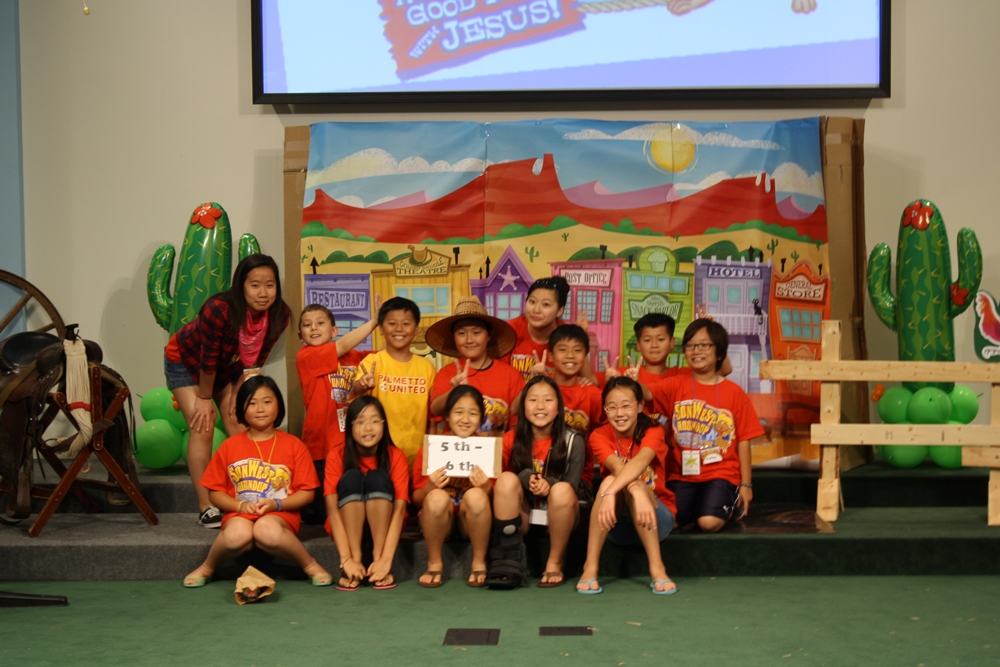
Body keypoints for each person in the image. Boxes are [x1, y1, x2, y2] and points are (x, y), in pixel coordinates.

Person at [164, 254, 290, 528]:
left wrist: (236, 394)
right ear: (240, 286)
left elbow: (255, 361)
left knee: (238, 421)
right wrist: (204, 398)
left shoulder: (280, 315)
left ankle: (253, 493)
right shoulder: (218, 309)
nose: (263, 293)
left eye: (270, 285)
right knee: (203, 426)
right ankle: (206, 506)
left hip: (230, 367)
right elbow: (208, 360)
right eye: (255, 285)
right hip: (186, 361)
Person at [182, 375, 331, 588]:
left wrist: (276, 504)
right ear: (241, 409)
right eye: (252, 403)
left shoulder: (294, 445)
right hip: (238, 514)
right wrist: (239, 506)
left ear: (279, 405)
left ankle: (310, 565)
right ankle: (207, 567)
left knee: (265, 530)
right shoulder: (229, 446)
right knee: (237, 535)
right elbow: (214, 493)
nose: (260, 409)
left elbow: (307, 493)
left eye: (267, 401)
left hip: (280, 515)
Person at [652, 319, 764, 532]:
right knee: (669, 522)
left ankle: (721, 505)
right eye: (691, 345)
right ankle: (698, 507)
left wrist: (746, 485)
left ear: (719, 353)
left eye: (704, 345)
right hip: (682, 474)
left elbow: (743, 441)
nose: (696, 351)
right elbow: (646, 393)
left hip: (722, 473)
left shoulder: (734, 393)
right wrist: (628, 380)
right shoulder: (676, 384)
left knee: (708, 523)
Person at [577, 377, 677, 595]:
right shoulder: (598, 435)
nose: (619, 413)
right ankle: (590, 567)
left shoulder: (654, 430)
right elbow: (617, 466)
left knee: (616, 483)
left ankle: (657, 569)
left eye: (626, 406)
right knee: (613, 480)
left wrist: (621, 491)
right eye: (612, 407)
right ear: (605, 410)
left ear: (640, 406)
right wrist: (631, 489)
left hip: (656, 519)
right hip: (615, 523)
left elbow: (640, 461)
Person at [490, 376, 588, 589]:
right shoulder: (510, 438)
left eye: (548, 400)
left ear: (559, 408)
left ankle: (554, 562)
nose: (540, 406)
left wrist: (549, 484)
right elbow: (501, 485)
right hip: (524, 515)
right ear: (523, 406)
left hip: (561, 517)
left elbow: (572, 486)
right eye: (533, 400)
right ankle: (509, 559)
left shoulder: (573, 440)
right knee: (505, 479)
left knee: (562, 490)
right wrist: (526, 476)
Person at [295, 299, 381, 522]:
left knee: (350, 500)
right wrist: (375, 321)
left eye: (320, 323)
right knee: (320, 513)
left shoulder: (352, 357)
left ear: (334, 330)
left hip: (348, 440)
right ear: (300, 335)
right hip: (321, 443)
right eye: (307, 325)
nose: (313, 328)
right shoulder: (306, 356)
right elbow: (341, 346)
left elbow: (382, 358)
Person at [323, 396, 409, 591]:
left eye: (375, 421)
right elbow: (332, 511)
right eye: (360, 422)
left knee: (377, 477)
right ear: (350, 426)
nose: (368, 428)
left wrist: (385, 560)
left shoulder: (395, 456)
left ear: (384, 425)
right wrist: (346, 559)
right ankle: (354, 562)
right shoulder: (336, 455)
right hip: (348, 530)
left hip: (383, 529)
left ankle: (378, 562)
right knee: (352, 478)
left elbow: (399, 511)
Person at [412, 385, 494, 587]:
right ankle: (434, 563)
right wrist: (429, 487)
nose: (465, 419)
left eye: (473, 413)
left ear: (481, 419)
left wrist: (486, 488)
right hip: (440, 520)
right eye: (458, 412)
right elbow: (416, 500)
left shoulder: (487, 450)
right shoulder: (432, 448)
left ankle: (479, 561)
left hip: (470, 521)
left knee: (477, 496)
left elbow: (497, 501)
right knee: (436, 497)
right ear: (447, 416)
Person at [351, 296, 435, 464]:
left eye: (406, 323)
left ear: (416, 329)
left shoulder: (427, 368)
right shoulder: (372, 362)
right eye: (392, 323)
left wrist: (429, 455)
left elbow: (432, 418)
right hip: (378, 460)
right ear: (381, 328)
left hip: (416, 461)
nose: (399, 329)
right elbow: (356, 389)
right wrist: (363, 384)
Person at [425, 295, 523, 436]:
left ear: (488, 336)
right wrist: (454, 390)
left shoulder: (510, 375)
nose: (469, 340)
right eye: (461, 333)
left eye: (476, 333)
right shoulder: (447, 373)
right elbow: (435, 410)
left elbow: (515, 425)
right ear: (454, 338)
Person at [504, 276, 570, 381]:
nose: (536, 310)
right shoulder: (510, 329)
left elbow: (578, 380)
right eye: (532, 301)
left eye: (546, 304)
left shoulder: (567, 337)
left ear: (559, 311)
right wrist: (531, 384)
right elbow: (500, 377)